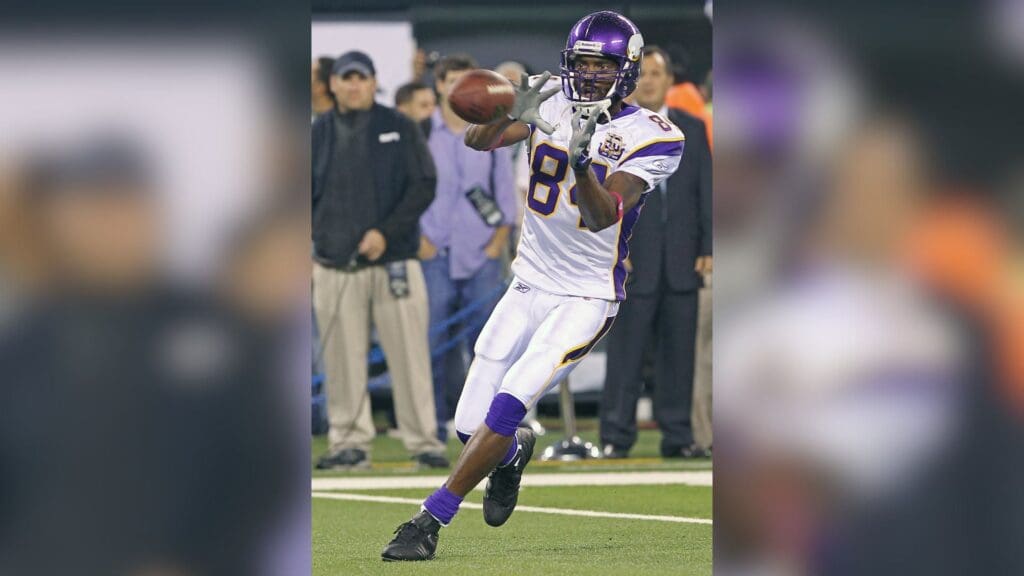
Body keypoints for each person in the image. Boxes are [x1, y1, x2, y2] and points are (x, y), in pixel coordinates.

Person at [382, 11, 683, 561]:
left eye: (603, 64)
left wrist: (581, 165)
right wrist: (505, 112)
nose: (589, 75)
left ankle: (429, 519)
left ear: (628, 69)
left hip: (587, 294)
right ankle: (515, 450)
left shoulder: (655, 135)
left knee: (510, 399)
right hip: (528, 281)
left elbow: (602, 216)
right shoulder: (552, 100)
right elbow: (478, 142)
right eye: (583, 63)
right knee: (469, 425)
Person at [311, 50, 448, 471]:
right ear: (333, 84)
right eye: (346, 78)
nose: (354, 85)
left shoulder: (398, 126)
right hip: (334, 264)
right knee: (341, 360)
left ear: (374, 83)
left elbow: (424, 185)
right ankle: (349, 442)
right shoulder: (317, 132)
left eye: (362, 78)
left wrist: (385, 232)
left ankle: (424, 441)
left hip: (396, 261)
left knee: (409, 357)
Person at [599, 46, 712, 459]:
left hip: (683, 258)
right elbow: (603, 195)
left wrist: (709, 245)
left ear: (670, 81)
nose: (648, 80)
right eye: (641, 72)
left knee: (680, 356)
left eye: (656, 73)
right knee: (625, 354)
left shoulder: (695, 128)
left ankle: (678, 437)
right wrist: (612, 246)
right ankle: (615, 436)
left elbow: (706, 190)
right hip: (631, 258)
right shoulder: (614, 127)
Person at [418, 54, 516, 443]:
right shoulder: (422, 131)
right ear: (440, 86)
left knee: (488, 345)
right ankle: (439, 422)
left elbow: (504, 192)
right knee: (434, 343)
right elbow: (410, 188)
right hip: (434, 251)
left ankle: (488, 425)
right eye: (454, 81)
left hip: (482, 254)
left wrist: (496, 245)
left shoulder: (492, 131)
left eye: (468, 80)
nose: (462, 88)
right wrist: (419, 241)